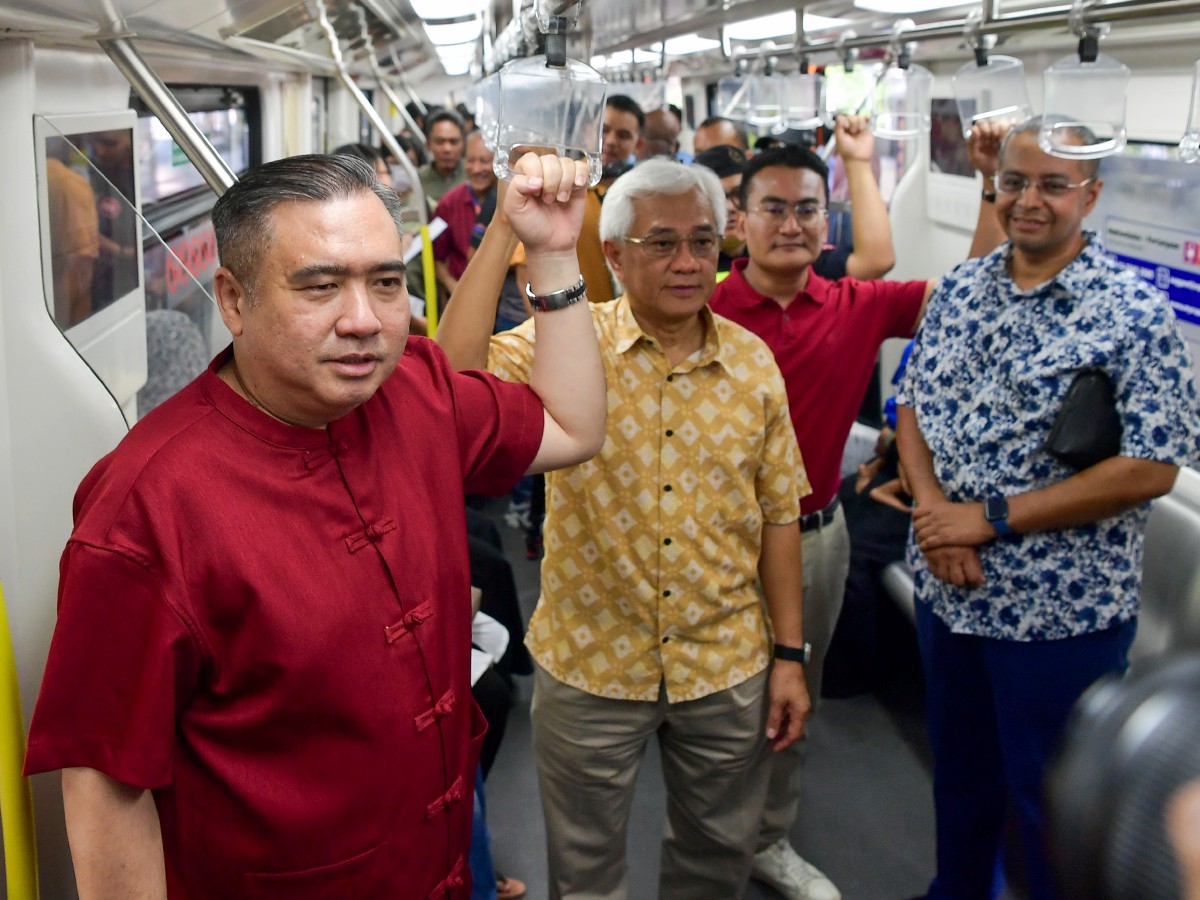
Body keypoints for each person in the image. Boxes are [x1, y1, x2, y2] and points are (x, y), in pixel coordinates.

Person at [22, 151, 605, 899]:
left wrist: (554, 251)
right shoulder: (146, 509)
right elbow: (107, 785)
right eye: (320, 286)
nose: (364, 321)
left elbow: (572, 425)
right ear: (233, 300)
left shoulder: (418, 394)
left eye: (386, 284)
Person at [437, 158, 812, 900]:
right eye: (662, 243)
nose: (688, 263)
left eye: (703, 243)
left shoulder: (753, 364)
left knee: (716, 857)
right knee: (585, 871)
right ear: (612, 254)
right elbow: (450, 380)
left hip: (723, 661)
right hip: (591, 665)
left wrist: (790, 655)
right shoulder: (568, 346)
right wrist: (506, 227)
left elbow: (779, 516)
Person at [896, 116, 1200, 900]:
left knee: (1050, 807)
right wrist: (936, 517)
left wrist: (990, 517)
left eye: (1053, 186)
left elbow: (1151, 466)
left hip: (1058, 615)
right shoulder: (962, 287)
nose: (1030, 200)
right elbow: (912, 406)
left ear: (1089, 196)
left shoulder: (1133, 315)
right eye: (1016, 182)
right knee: (959, 785)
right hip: (948, 592)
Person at [709, 129, 930, 900]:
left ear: (825, 220)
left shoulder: (854, 308)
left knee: (793, 697)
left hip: (814, 540)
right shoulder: (699, 307)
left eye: (809, 210)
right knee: (710, 709)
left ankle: (769, 839)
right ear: (740, 219)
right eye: (774, 208)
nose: (793, 224)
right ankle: (710, 846)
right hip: (712, 544)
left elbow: (972, 289)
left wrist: (992, 190)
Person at [420, 107, 468, 206]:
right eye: (439, 142)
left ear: (463, 143)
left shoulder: (475, 176)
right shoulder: (418, 181)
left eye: (453, 142)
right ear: (429, 143)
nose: (447, 149)